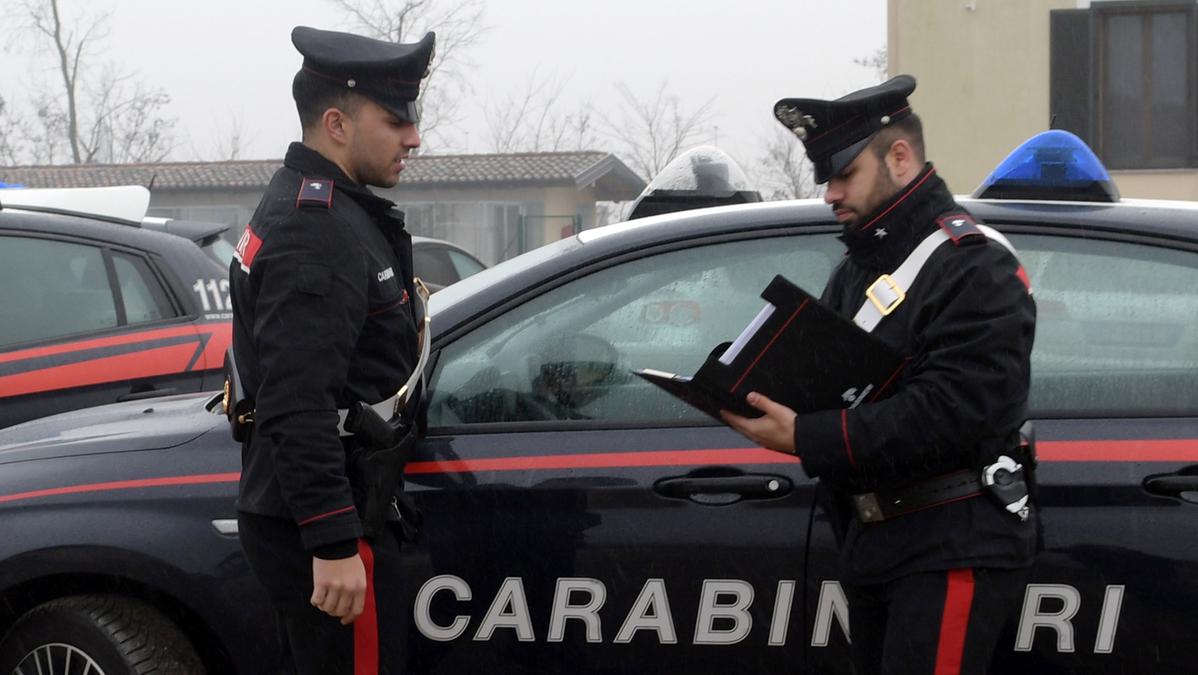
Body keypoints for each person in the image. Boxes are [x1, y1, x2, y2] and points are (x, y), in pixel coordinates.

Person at [722, 75, 1038, 674]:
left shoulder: (973, 265)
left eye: (844, 175)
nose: (829, 194)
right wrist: (745, 382)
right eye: (826, 178)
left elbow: (957, 409)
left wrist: (809, 437)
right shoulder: (860, 265)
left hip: (951, 541)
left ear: (899, 156)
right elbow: (835, 377)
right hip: (883, 541)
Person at [228, 25, 435, 674]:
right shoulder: (315, 229)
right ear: (338, 124)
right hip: (326, 524)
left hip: (328, 506)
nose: (414, 137)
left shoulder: (331, 208)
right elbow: (294, 401)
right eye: (396, 119)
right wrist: (333, 538)